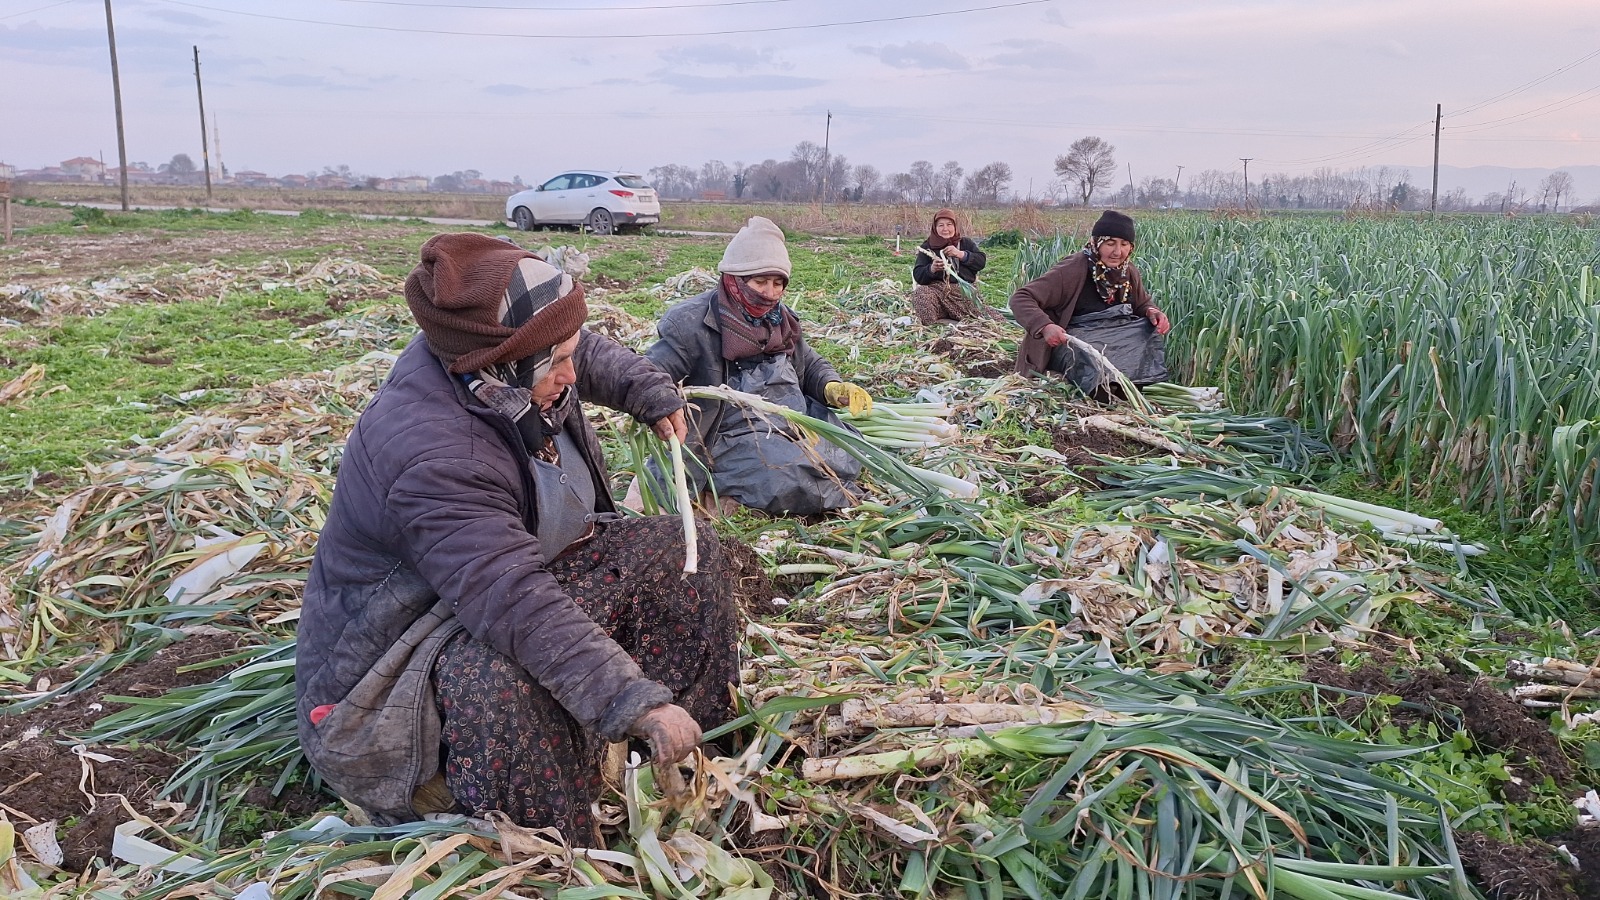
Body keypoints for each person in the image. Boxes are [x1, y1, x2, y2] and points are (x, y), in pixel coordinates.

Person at [295, 232, 738, 842]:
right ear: (504, 360)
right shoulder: (435, 454)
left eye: (566, 356)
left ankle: (693, 756)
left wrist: (646, 389)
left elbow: (579, 350)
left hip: (502, 580)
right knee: (503, 680)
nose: (571, 375)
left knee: (682, 553)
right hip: (400, 654)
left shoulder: (491, 357)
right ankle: (560, 847)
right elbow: (513, 599)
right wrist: (632, 698)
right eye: (555, 364)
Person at [645, 216, 873, 516]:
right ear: (735, 279)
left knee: (849, 448)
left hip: (787, 418)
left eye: (778, 283)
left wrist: (830, 386)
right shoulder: (689, 324)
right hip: (728, 434)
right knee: (785, 475)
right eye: (760, 282)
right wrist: (659, 404)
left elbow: (809, 363)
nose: (770, 293)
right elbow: (650, 375)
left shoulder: (780, 319)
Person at [1009, 210, 1172, 394]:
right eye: (1110, 244)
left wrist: (1152, 311)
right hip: (1074, 343)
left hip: (1109, 340)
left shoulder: (1128, 272)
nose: (1117, 252)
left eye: (1124, 244)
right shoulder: (1073, 269)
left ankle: (1133, 383)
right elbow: (1021, 298)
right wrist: (1045, 326)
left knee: (1146, 331)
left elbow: (1142, 303)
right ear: (1096, 243)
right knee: (1095, 374)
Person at [910, 208, 996, 324]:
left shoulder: (966, 243)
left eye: (949, 224)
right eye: (941, 225)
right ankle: (934, 323)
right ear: (935, 228)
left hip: (962, 294)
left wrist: (961, 254)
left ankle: (957, 316)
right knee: (920, 294)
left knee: (986, 318)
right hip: (937, 293)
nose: (945, 229)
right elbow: (918, 274)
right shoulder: (927, 246)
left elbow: (981, 262)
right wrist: (931, 269)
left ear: (955, 226)